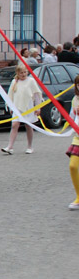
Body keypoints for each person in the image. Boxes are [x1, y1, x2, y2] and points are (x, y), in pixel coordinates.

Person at [1, 64, 42, 155]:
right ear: (17, 73)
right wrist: (10, 106)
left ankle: (30, 146)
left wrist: (38, 107)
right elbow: (10, 94)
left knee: (28, 126)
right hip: (17, 107)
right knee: (14, 125)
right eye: (21, 73)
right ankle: (10, 146)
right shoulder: (14, 82)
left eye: (25, 72)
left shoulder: (31, 81)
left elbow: (36, 94)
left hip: (28, 107)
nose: (23, 74)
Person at [66, 75, 79, 210]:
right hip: (78, 137)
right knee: (73, 166)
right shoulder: (75, 99)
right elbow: (71, 118)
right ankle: (78, 196)